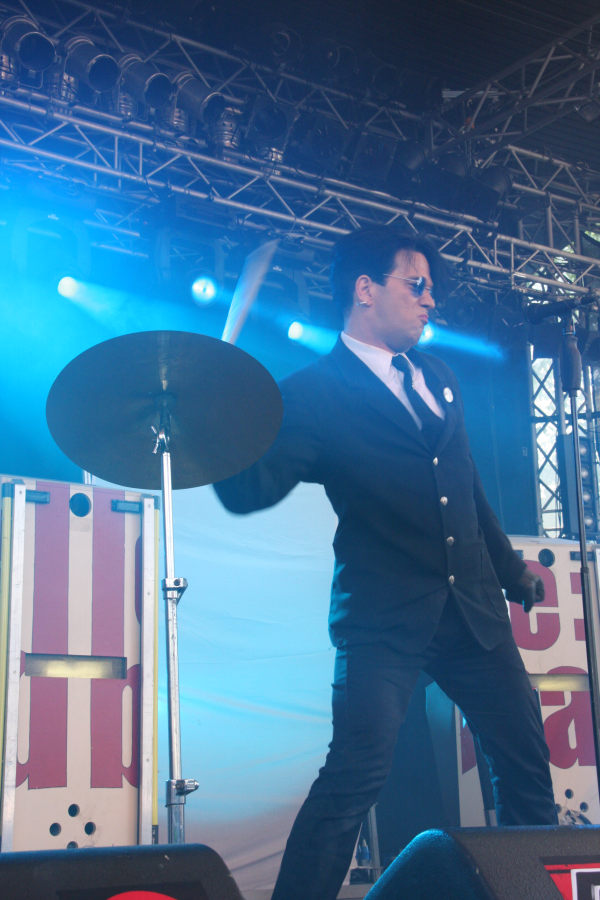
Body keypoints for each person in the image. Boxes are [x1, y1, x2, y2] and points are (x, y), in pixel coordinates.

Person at [214, 226, 557, 900]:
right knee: (353, 779)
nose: (431, 300)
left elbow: (468, 489)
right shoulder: (313, 393)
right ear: (366, 290)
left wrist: (510, 571)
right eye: (417, 285)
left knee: (525, 766)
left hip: (472, 613)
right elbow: (248, 491)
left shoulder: (439, 378)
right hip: (384, 620)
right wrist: (218, 418)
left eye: (431, 288)